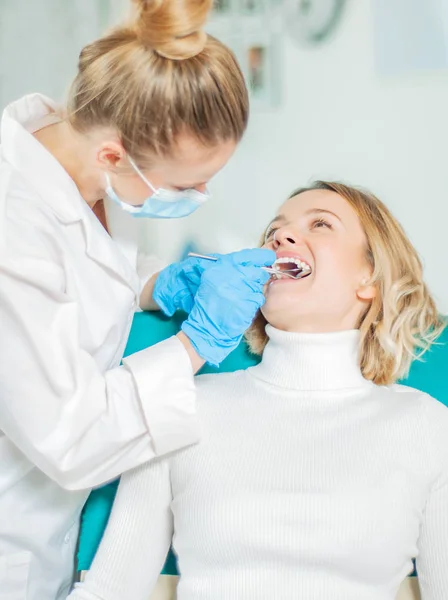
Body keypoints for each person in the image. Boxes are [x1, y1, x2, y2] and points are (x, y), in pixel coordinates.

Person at [0, 0, 276, 597]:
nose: (201, 193)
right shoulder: (11, 231)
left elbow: (94, 269)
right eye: (185, 184)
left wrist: (158, 282)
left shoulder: (73, 146)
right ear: (113, 155)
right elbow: (69, 436)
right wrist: (193, 346)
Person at [69, 182, 447, 600]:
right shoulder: (185, 402)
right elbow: (108, 591)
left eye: (320, 224)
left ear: (370, 279)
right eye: (274, 230)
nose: (279, 237)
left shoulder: (426, 425)